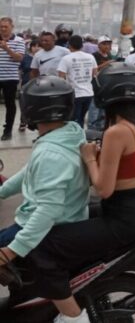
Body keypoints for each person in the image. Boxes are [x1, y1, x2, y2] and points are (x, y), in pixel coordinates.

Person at [24, 63, 135, 323]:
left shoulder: (116, 132)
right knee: (72, 219)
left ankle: (73, 317)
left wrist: (89, 158)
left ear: (103, 95)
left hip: (123, 216)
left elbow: (103, 189)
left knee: (41, 245)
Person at [0, 76, 90, 323]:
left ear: (29, 110)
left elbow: (48, 210)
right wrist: (3, 190)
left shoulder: (51, 153)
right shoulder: (70, 132)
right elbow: (30, 170)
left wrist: (12, 250)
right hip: (66, 217)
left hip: (49, 226)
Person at [57, 35, 97, 128]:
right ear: (82, 45)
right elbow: (95, 73)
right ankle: (81, 138)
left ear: (69, 45)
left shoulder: (66, 58)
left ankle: (77, 139)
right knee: (81, 118)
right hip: (88, 93)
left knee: (74, 120)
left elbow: (61, 78)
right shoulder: (90, 57)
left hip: (75, 94)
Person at [0, 17, 26, 141]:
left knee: (10, 105)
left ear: (12, 27)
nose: (3, 29)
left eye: (6, 26)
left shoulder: (19, 41)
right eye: (1, 26)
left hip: (10, 78)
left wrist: (6, 48)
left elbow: (19, 58)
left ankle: (8, 130)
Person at [87, 36, 115, 131]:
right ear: (99, 45)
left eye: (109, 44)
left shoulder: (110, 55)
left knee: (104, 111)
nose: (107, 46)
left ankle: (102, 129)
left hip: (107, 87)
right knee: (94, 110)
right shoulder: (93, 56)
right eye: (104, 44)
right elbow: (92, 70)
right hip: (96, 86)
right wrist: (106, 64)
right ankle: (92, 131)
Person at [18, 37, 40, 132]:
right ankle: (23, 121)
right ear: (30, 47)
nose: (36, 48)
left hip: (39, 85)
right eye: (34, 46)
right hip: (26, 84)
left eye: (38, 46)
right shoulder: (25, 58)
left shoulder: (42, 57)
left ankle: (37, 124)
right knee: (24, 104)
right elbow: (20, 70)